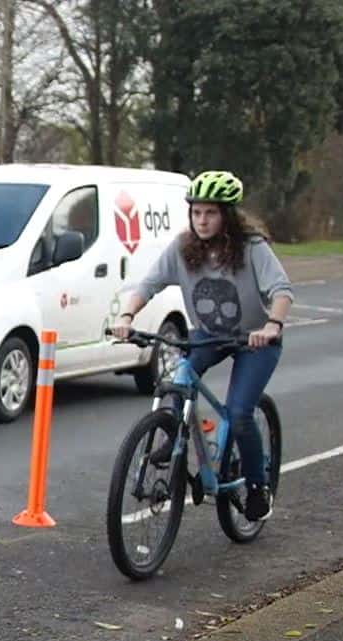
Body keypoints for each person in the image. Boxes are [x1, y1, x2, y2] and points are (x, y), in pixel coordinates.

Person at [111, 170, 292, 523]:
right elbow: (148, 284)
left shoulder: (252, 248)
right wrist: (127, 315)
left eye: (210, 213)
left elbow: (281, 291)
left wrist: (272, 324)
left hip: (254, 340)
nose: (202, 220)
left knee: (239, 413)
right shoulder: (182, 248)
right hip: (209, 335)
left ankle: (258, 488)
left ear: (228, 215)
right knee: (179, 375)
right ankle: (173, 429)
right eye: (196, 212)